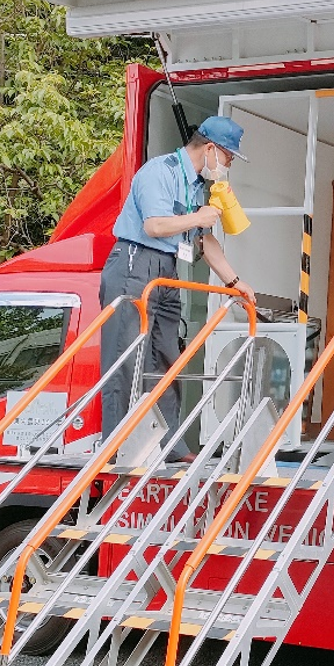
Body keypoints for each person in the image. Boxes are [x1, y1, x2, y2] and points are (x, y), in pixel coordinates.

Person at [100, 116, 255, 462]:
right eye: (229, 157)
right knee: (126, 358)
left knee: (168, 357)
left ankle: (171, 446)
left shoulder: (197, 185)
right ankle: (117, 449)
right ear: (210, 148)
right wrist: (198, 217)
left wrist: (234, 282)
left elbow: (204, 240)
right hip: (134, 263)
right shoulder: (160, 172)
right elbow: (154, 226)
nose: (229, 164)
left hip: (167, 270)